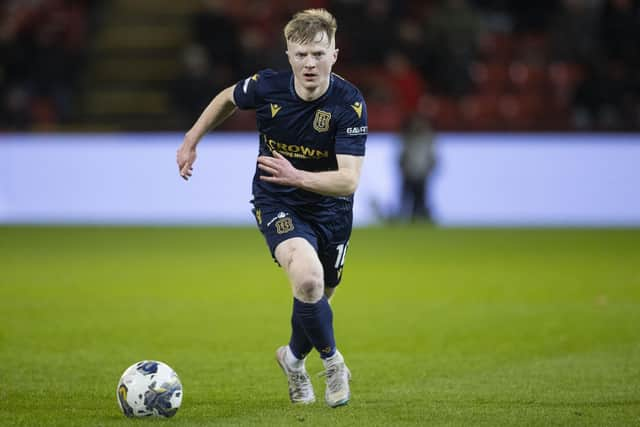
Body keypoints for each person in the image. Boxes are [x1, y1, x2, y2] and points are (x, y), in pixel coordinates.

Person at [175, 8, 367, 408]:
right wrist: (192, 139)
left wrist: (298, 175)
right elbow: (227, 97)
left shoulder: (349, 103)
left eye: (318, 53)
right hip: (277, 199)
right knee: (310, 281)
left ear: (335, 53)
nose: (309, 63)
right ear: (288, 55)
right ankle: (333, 363)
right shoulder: (267, 86)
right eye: (301, 55)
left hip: (331, 209)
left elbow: (348, 180)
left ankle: (293, 360)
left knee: (318, 295)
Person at [398, 113, 436, 222]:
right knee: (406, 199)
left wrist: (428, 171)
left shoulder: (428, 139)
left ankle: (420, 217)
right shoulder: (407, 139)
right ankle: (405, 218)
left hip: (421, 175)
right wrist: (404, 169)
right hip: (409, 174)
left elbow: (432, 158)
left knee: (420, 200)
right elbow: (401, 157)